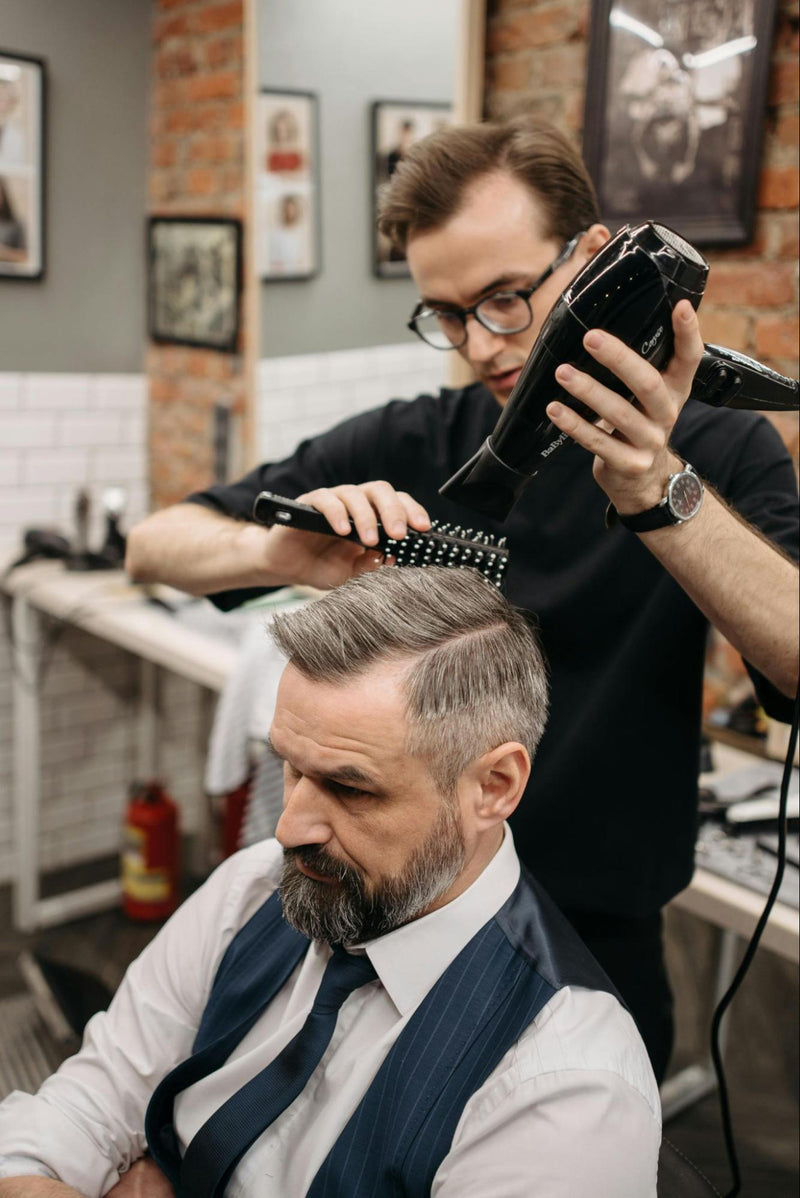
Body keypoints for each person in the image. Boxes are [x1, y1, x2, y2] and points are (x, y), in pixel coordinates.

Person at [126, 115, 799, 1082]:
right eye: (446, 314)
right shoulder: (416, 441)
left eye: (506, 298)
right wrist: (274, 550)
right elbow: (154, 545)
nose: (480, 345)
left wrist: (662, 494)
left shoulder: (722, 454)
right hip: (386, 917)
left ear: (593, 259)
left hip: (591, 938)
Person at [0, 567, 661, 1197]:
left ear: (493, 786)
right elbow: (92, 1101)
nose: (289, 829)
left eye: (350, 789)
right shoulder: (251, 891)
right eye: (289, 767)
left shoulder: (564, 1091)